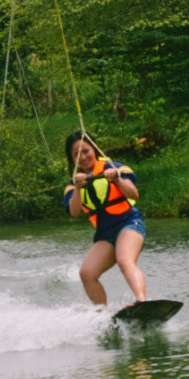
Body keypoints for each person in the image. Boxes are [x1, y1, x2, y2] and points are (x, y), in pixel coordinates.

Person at [64, 131, 147, 306]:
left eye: (86, 151)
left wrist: (116, 179)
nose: (83, 157)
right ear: (71, 158)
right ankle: (102, 316)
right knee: (87, 273)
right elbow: (74, 212)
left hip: (129, 224)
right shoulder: (73, 184)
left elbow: (134, 194)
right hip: (105, 234)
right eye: (76, 155)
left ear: (94, 149)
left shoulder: (114, 167)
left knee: (125, 261)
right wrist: (78, 188)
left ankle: (141, 302)